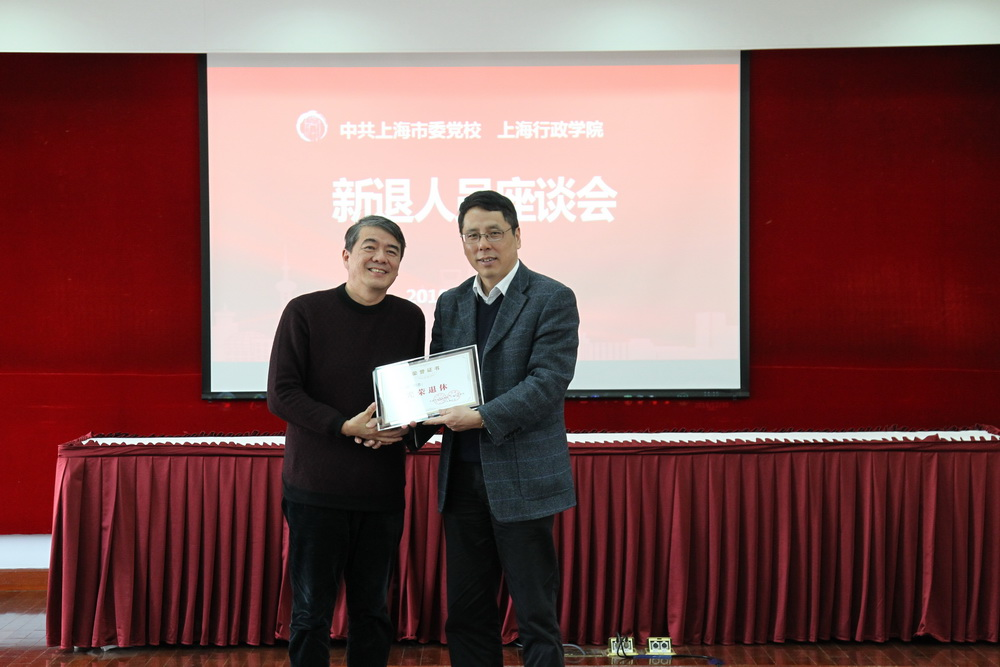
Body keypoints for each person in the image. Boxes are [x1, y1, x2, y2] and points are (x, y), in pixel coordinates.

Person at [422, 190, 580, 667]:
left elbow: (548, 381)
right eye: (472, 235)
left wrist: (483, 417)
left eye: (494, 233)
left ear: (516, 236)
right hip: (462, 477)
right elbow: (436, 381)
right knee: (467, 612)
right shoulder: (450, 303)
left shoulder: (551, 297)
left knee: (535, 612)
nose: (483, 245)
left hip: (523, 476)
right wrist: (401, 423)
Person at [267, 215, 425, 667]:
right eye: (370, 247)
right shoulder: (305, 311)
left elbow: (411, 393)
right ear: (346, 255)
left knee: (372, 613)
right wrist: (344, 426)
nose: (381, 257)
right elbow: (282, 393)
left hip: (381, 491)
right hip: (316, 491)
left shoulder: (409, 317)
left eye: (392, 251)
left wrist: (405, 427)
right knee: (310, 614)